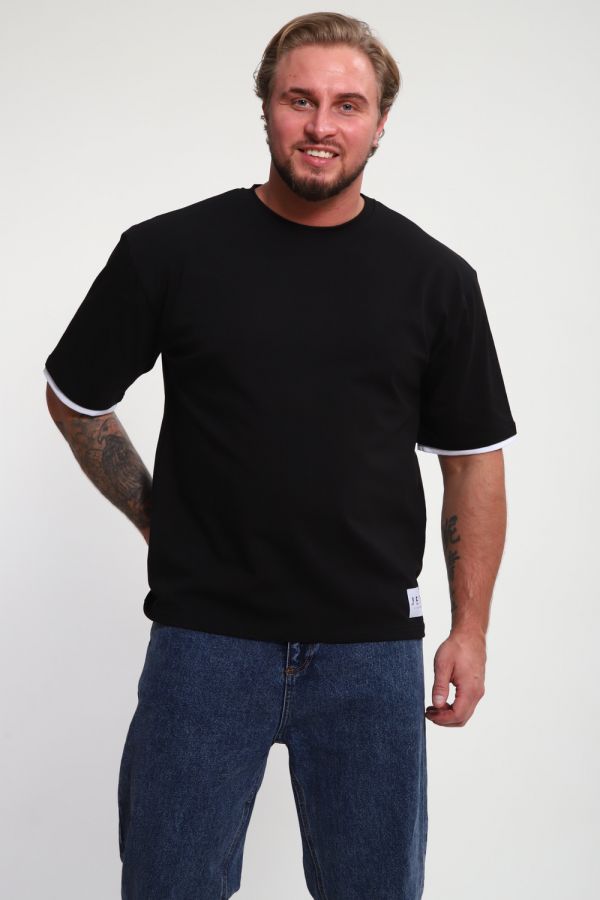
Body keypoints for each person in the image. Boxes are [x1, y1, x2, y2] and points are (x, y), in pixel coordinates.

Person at [44, 11, 517, 900]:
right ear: (265, 106)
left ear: (381, 122)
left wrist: (471, 630)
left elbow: (471, 460)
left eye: (347, 105)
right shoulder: (169, 253)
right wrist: (157, 516)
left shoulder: (436, 279)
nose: (320, 125)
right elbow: (76, 398)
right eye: (300, 100)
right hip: (204, 644)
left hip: (371, 653)